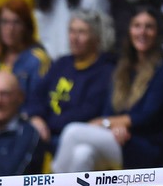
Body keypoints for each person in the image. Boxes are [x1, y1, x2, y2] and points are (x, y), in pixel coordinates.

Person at [52, 8, 163, 186]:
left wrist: (109, 123)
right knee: (82, 154)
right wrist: (113, 125)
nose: (142, 32)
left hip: (150, 148)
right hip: (119, 140)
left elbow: (147, 116)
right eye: (137, 26)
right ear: (129, 31)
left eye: (149, 27)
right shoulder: (122, 68)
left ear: (157, 33)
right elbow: (109, 111)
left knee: (72, 131)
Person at [25, 9, 116, 157]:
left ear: (96, 38)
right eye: (72, 31)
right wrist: (37, 117)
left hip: (73, 137)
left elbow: (87, 112)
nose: (74, 38)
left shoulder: (105, 71)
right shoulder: (62, 63)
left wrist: (48, 124)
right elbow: (37, 95)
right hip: (46, 130)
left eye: (81, 32)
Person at [0, 0, 50, 109]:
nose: (10, 29)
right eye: (4, 22)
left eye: (16, 22)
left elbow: (38, 104)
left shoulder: (38, 59)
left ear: (26, 27)